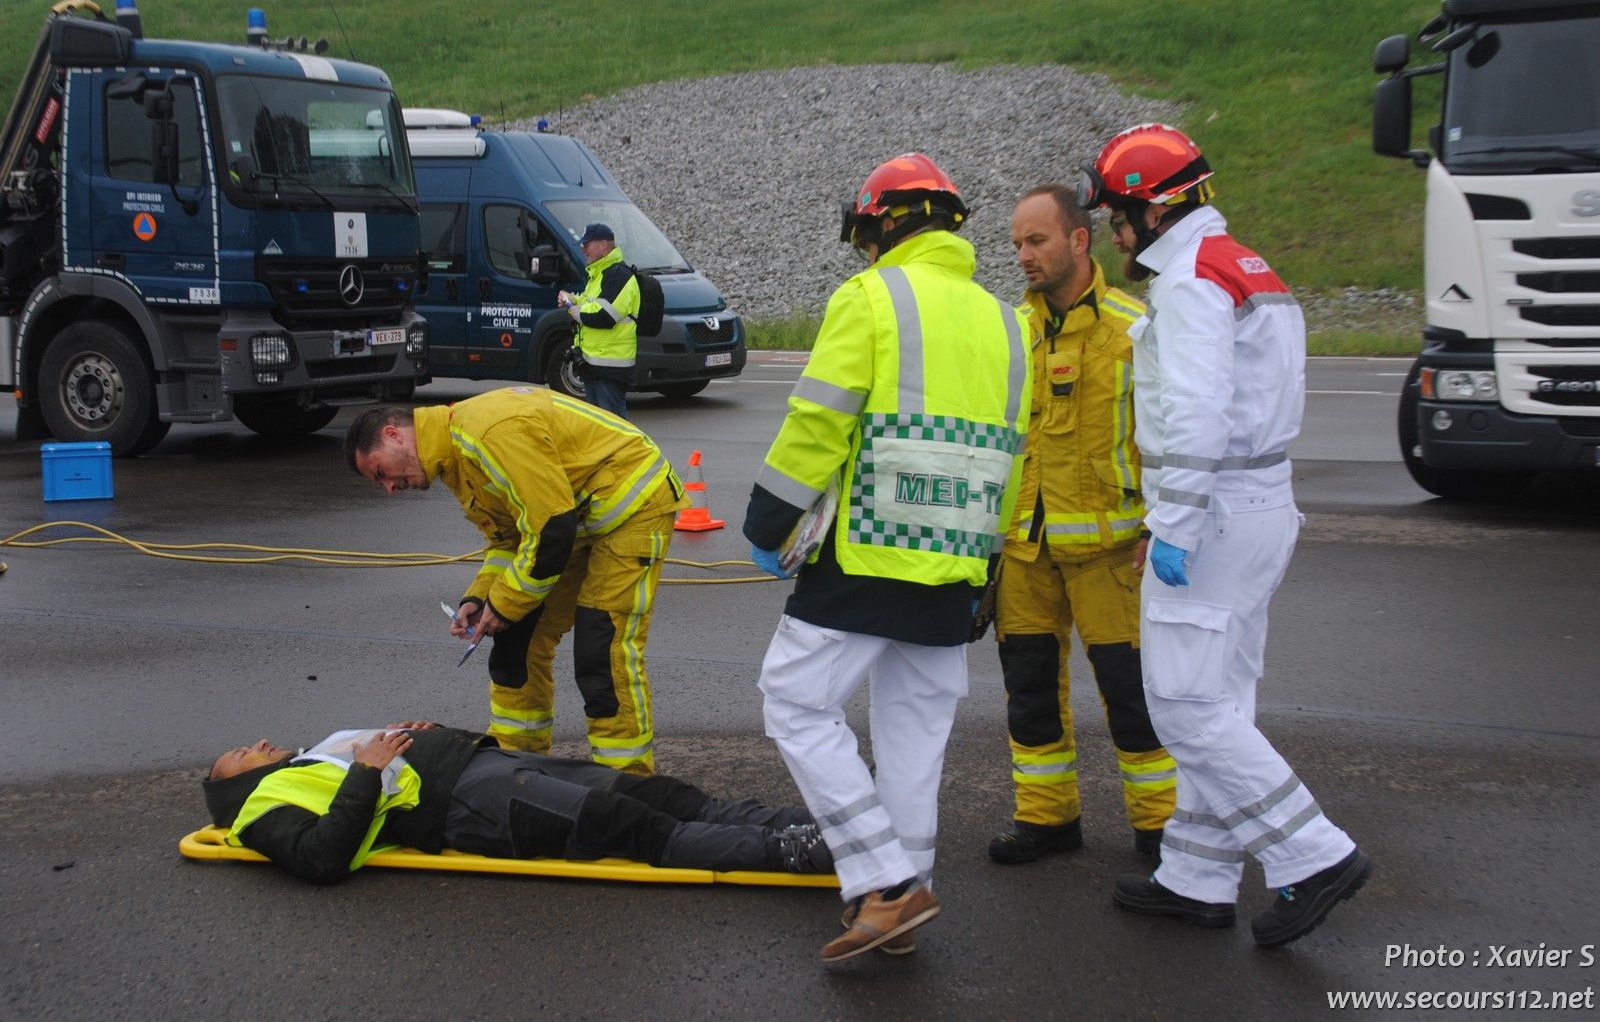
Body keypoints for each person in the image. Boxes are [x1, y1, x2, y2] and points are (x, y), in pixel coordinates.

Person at [1078, 124, 1371, 948]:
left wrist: (1169, 520)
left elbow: (1198, 411)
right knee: (1221, 694)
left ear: (1154, 208)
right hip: (1253, 503)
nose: (1117, 234)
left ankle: (1313, 853)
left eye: (1120, 217)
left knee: (1183, 701)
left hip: (1212, 512)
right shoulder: (1243, 266)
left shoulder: (1191, 283)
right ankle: (1197, 873)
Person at [744, 153, 1030, 962]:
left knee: (794, 700)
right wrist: (988, 563)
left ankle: (884, 880)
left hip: (871, 549)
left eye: (866, 234)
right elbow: (1014, 453)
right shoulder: (1008, 322)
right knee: (914, 730)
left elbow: (818, 422)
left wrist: (769, 523)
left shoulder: (869, 297)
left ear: (884, 225)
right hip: (959, 562)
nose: (864, 250)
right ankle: (904, 894)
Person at [344, 387, 685, 776]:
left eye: (380, 472)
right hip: (577, 521)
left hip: (631, 510)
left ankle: (629, 784)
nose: (389, 488)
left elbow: (551, 531)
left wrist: (504, 605)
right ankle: (514, 768)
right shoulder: (456, 459)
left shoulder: (486, 434)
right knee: (515, 642)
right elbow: (510, 539)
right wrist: (480, 598)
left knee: (601, 649)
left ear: (394, 435)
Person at [986, 185, 1176, 867]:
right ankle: (1046, 817)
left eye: (1035, 241)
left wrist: (1167, 523)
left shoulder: (1136, 328)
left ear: (1077, 240)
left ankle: (1160, 829)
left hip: (1112, 552)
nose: (1023, 256)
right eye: (1016, 243)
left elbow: (1169, 435)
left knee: (1133, 696)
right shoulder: (1010, 332)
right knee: (1030, 690)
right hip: (1026, 549)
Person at [201, 722, 833, 884]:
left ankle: (812, 824)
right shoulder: (258, 812)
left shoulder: (312, 754)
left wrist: (419, 734)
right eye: (239, 753)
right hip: (468, 804)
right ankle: (792, 850)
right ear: (230, 787)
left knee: (657, 793)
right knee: (631, 826)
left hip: (480, 765)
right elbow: (321, 858)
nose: (254, 744)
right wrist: (368, 770)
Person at [560, 222, 638, 419]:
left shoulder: (619, 275)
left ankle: (628, 452)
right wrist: (574, 299)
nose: (583, 249)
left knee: (614, 426)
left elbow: (603, 315)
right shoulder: (599, 274)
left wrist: (573, 309)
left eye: (587, 244)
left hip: (611, 368)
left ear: (603, 245)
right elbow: (592, 303)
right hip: (595, 365)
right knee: (602, 425)